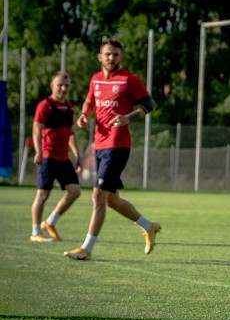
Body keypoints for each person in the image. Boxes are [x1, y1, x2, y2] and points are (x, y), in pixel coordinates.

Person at [64, 38, 161, 260]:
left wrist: (128, 117)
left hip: (118, 145)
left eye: (115, 54)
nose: (111, 58)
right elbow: (90, 102)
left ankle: (86, 249)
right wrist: (83, 116)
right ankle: (149, 226)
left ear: (120, 57)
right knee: (111, 199)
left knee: (98, 195)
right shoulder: (96, 80)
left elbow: (150, 104)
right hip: (99, 143)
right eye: (107, 54)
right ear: (100, 57)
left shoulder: (129, 80)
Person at [30, 71, 82, 242]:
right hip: (47, 157)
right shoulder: (45, 105)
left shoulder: (69, 107)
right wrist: (38, 152)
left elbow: (71, 133)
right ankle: (36, 232)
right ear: (52, 86)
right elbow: (37, 129)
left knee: (75, 191)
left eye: (66, 85)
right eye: (60, 85)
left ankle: (50, 222)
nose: (63, 88)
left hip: (63, 158)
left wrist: (77, 154)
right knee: (43, 195)